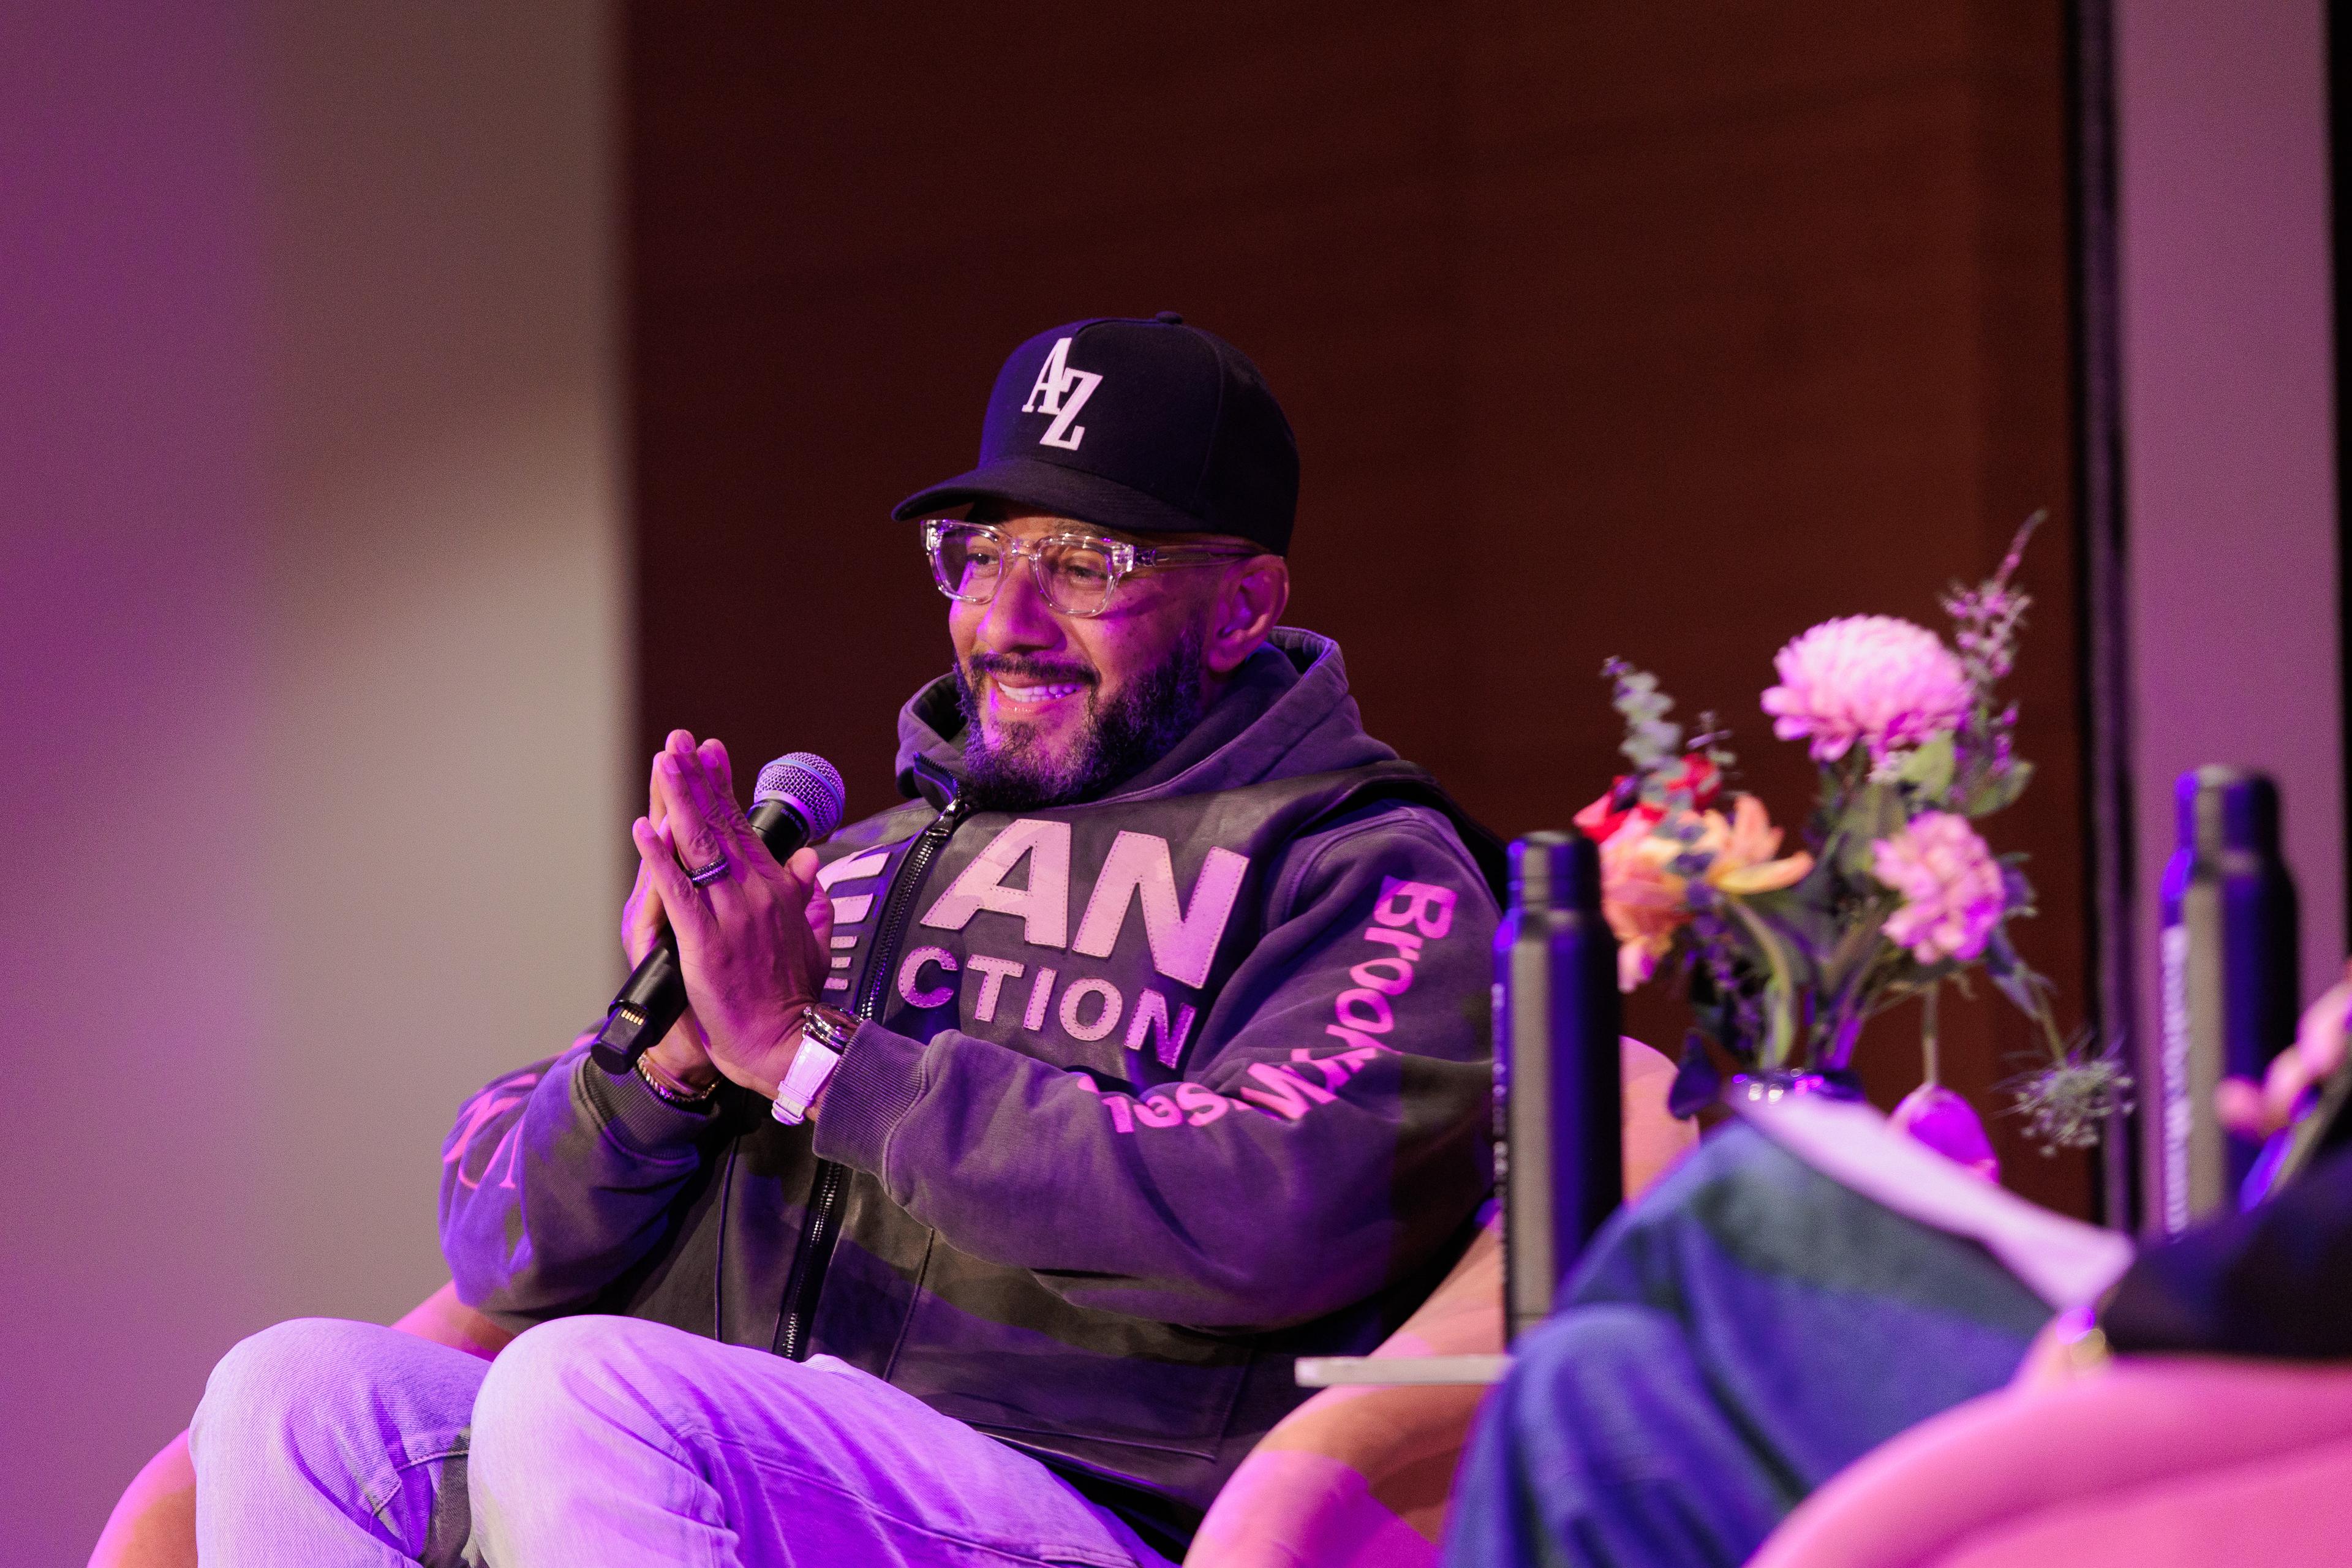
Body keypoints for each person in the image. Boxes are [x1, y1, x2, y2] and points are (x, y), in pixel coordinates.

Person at [187, 314, 1504, 1567]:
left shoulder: (1361, 865)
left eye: (1086, 561)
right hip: (759, 1454)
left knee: (589, 1388)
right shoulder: (851, 862)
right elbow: (500, 1244)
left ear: (1241, 605)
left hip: (1092, 1499)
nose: (1006, 621)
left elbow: (1264, 1200)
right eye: (981, 554)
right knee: (296, 1395)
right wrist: (677, 1066)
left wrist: (820, 1057)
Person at [1441, 967, 2352, 1568]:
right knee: (1584, 1381)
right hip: (2270, 1324)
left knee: (1746, 1190)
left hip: (2241, 1339)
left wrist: (2117, 1322)